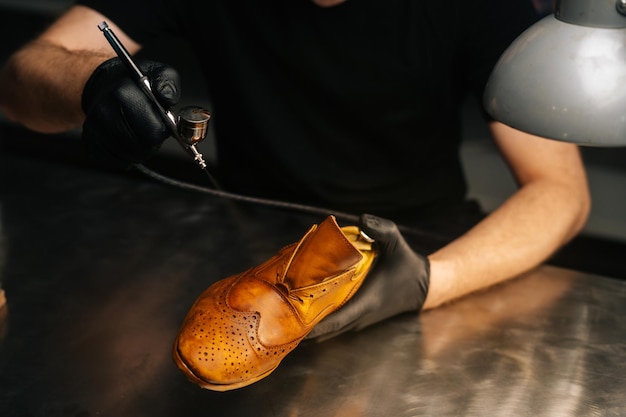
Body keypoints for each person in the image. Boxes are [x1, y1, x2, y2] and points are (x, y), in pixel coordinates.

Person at [0, 0, 590, 339]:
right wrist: (91, 83)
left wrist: (427, 282)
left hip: (423, 249)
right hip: (249, 256)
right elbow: (22, 79)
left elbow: (561, 192)